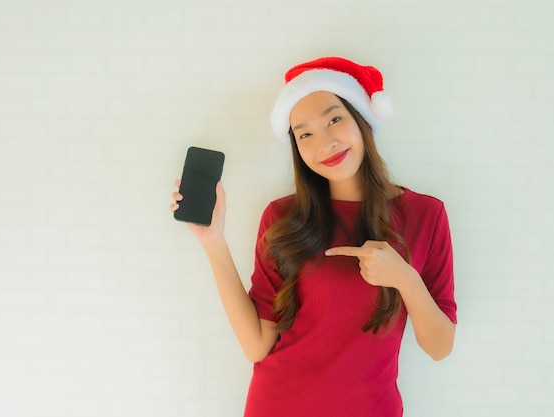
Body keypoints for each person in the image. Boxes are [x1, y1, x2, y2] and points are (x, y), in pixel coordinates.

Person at [170, 56, 457, 417]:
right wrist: (213, 242)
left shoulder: (425, 215)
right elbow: (257, 345)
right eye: (305, 134)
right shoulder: (282, 217)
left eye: (334, 119)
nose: (325, 143)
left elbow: (440, 346)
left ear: (362, 119)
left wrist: (405, 279)